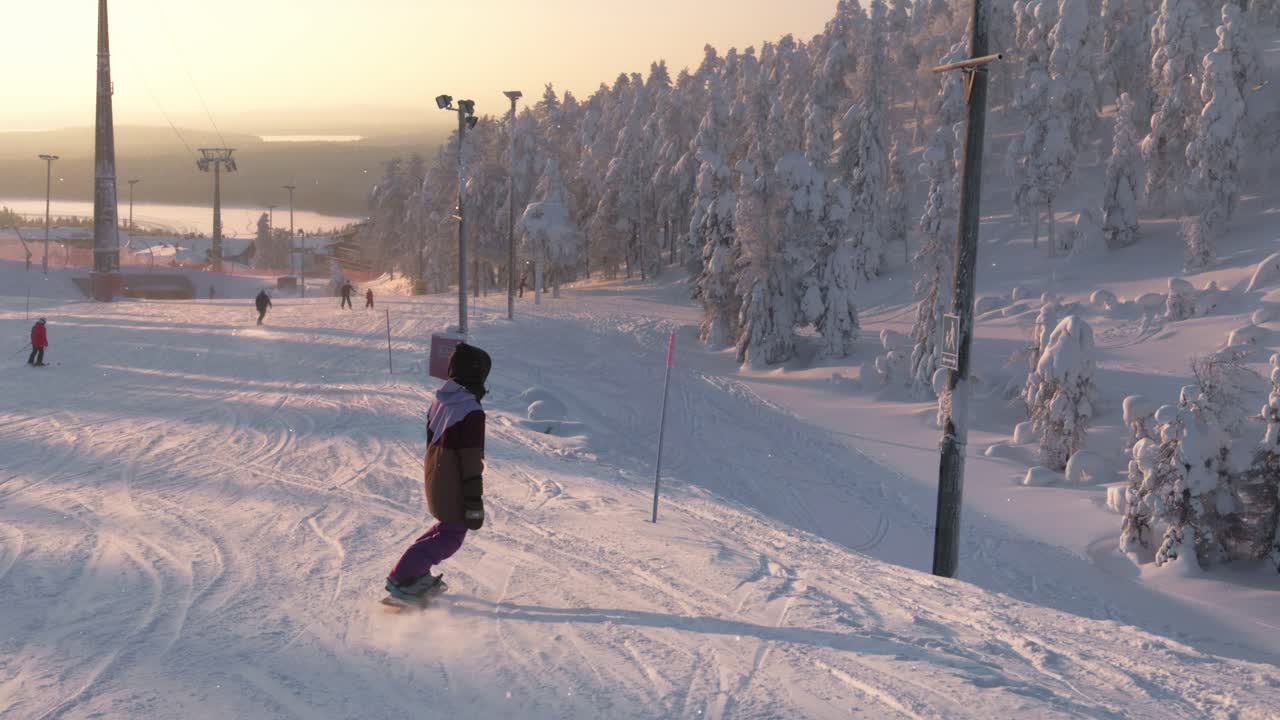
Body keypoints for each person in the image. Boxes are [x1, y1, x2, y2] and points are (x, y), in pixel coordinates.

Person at [386, 343, 491, 604]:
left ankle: (408, 574)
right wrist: (474, 501)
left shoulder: (442, 398)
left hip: (435, 472)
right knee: (452, 535)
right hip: (453, 479)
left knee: (445, 527)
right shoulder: (471, 411)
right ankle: (404, 577)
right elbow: (470, 460)